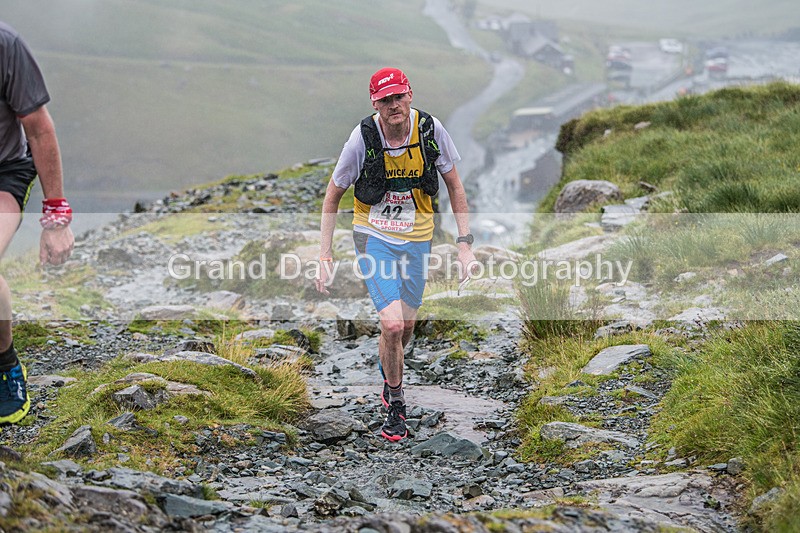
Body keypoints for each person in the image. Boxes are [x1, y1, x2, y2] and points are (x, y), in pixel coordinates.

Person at [316, 67, 476, 442]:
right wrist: (324, 253)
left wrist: (464, 245)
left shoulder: (431, 131)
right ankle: (395, 400)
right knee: (391, 325)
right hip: (373, 237)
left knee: (404, 328)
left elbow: (455, 186)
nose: (393, 106)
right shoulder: (362, 138)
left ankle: (389, 364)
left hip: (419, 237)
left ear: (409, 95)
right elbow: (332, 196)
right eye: (385, 100)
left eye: (398, 97)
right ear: (375, 103)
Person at [1, 21, 74, 424]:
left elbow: (39, 130)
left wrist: (56, 219)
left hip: (4, 173)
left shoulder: (5, 45)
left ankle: (4, 364)